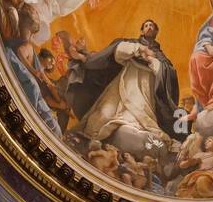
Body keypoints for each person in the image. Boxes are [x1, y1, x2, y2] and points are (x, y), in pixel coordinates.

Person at [66, 19, 180, 153]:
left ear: (156, 31)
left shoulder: (160, 56)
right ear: (142, 30)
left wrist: (152, 60)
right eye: (146, 26)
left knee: (139, 117)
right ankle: (85, 142)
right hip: (122, 85)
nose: (149, 28)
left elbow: (168, 72)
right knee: (102, 114)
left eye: (152, 26)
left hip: (143, 92)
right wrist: (138, 49)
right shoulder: (133, 44)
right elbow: (118, 50)